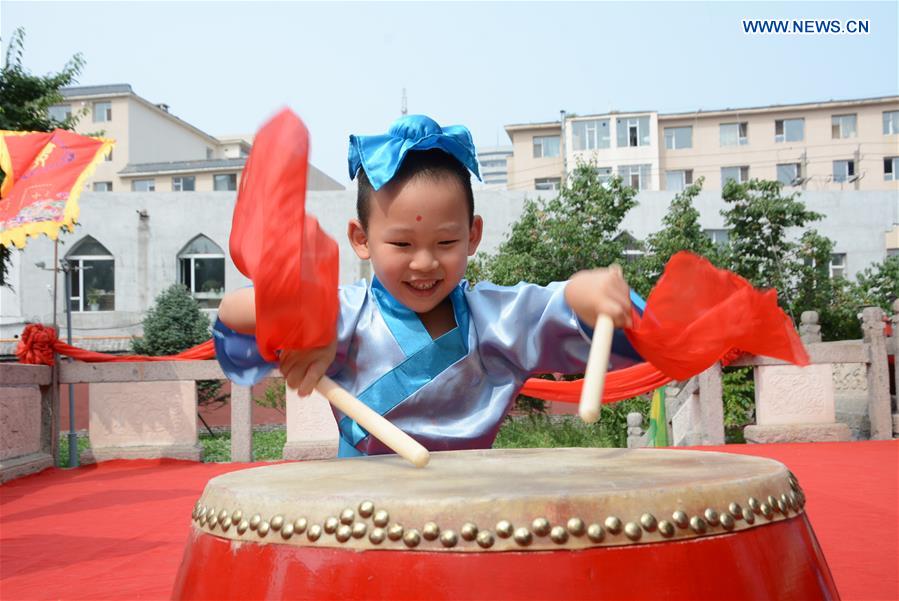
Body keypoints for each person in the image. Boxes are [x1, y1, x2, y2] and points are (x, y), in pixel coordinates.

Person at [214, 114, 644, 457]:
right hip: (364, 514)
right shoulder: (345, 315)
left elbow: (567, 309)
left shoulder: (497, 320)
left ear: (473, 235)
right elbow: (234, 314)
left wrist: (584, 294)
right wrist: (307, 324)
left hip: (470, 512)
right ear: (361, 239)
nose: (424, 262)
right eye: (402, 244)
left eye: (446, 242)